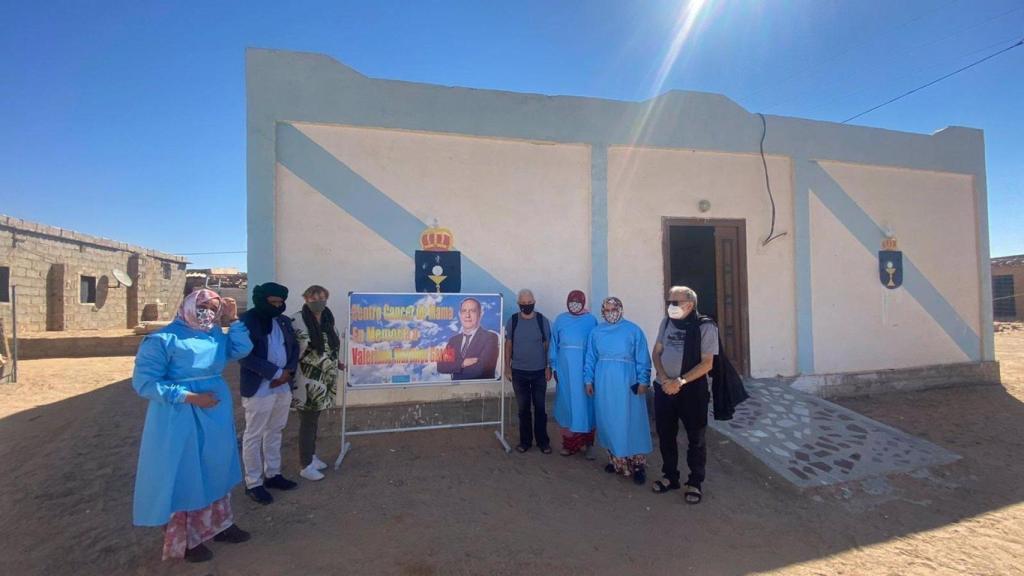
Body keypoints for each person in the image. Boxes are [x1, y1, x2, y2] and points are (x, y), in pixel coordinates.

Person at [132, 289, 253, 563]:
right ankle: (186, 539)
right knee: (186, 473)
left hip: (215, 411)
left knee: (216, 466)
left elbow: (242, 349)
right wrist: (191, 397)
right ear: (188, 304)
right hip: (179, 415)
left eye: (214, 306)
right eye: (203, 305)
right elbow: (145, 383)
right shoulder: (162, 339)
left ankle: (220, 524)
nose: (208, 311)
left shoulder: (214, 335)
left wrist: (233, 321)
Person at [651, 286, 718, 504]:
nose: (671, 306)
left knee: (695, 439)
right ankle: (670, 476)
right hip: (665, 388)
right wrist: (663, 378)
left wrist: (680, 381)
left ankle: (695, 482)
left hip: (692, 391)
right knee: (666, 434)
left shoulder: (705, 327)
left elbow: (707, 362)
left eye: (675, 302)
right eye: (669, 301)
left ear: (690, 304)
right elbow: (657, 352)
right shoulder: (667, 323)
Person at [238, 282, 300, 504]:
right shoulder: (246, 321)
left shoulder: (282, 321)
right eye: (272, 302)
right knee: (254, 435)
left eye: (280, 302)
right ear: (261, 300)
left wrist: (287, 372)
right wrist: (275, 373)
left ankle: (273, 474)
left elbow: (293, 348)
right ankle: (253, 482)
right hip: (259, 386)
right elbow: (244, 355)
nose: (277, 306)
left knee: (275, 430)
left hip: (283, 385)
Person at [584, 296, 652, 485]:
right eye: (606, 310)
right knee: (608, 419)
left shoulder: (633, 330)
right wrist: (588, 380)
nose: (610, 312)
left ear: (621, 309)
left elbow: (642, 358)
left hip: (627, 380)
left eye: (614, 309)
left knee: (631, 420)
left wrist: (643, 380)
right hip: (604, 380)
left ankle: (637, 465)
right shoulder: (596, 332)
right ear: (602, 311)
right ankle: (617, 461)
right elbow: (590, 357)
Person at [291, 285, 345, 481]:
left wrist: (336, 362)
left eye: (322, 297)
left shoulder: (328, 320)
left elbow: (330, 347)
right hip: (306, 379)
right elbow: (291, 349)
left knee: (314, 420)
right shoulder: (296, 320)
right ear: (306, 299)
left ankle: (311, 456)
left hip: (325, 379)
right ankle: (305, 465)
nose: (318, 301)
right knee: (307, 421)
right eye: (314, 298)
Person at [550, 290, 599, 458]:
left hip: (585, 372)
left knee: (586, 406)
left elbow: (595, 347)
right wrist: (554, 367)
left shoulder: (591, 320)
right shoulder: (560, 320)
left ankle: (588, 444)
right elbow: (554, 344)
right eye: (572, 301)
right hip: (565, 372)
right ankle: (570, 444)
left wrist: (592, 373)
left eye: (578, 301)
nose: (575, 304)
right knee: (568, 405)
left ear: (584, 302)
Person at [505, 289, 553, 454]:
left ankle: (543, 442)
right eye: (523, 304)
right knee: (523, 409)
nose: (526, 306)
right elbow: (508, 344)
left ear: (534, 302)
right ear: (518, 304)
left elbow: (547, 345)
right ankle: (525, 441)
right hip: (519, 371)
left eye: (529, 303)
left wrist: (548, 367)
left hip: (539, 371)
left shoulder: (542, 320)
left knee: (540, 408)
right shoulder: (513, 320)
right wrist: (507, 367)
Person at [437, 296, 500, 380]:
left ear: (480, 314)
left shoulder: (490, 337)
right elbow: (441, 367)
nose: (467, 315)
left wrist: (454, 367)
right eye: (464, 311)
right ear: (459, 315)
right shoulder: (453, 340)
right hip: (456, 390)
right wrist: (462, 363)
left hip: (480, 389)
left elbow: (481, 370)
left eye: (472, 311)